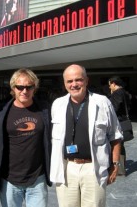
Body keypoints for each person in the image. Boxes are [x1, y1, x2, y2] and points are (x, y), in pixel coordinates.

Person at [50, 64, 122, 207]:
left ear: (86, 81)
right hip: (66, 168)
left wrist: (115, 164)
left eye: (78, 80)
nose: (74, 84)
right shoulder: (57, 104)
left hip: (93, 168)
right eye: (69, 81)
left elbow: (116, 135)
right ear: (64, 83)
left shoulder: (102, 102)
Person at [0, 68, 51, 207]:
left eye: (29, 87)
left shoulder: (45, 110)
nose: (24, 91)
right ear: (13, 88)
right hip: (9, 180)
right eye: (20, 87)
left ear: (35, 88)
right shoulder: (1, 112)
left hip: (37, 179)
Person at [108, 76, 131, 176]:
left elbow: (114, 108)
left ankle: (117, 168)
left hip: (117, 123)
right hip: (123, 121)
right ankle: (121, 168)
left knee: (115, 144)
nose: (109, 87)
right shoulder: (125, 93)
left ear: (113, 83)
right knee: (120, 145)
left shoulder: (117, 93)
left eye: (110, 85)